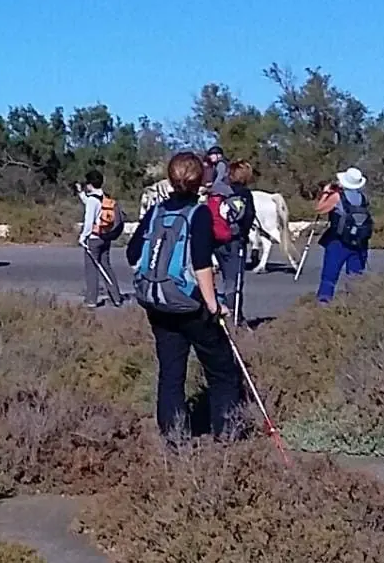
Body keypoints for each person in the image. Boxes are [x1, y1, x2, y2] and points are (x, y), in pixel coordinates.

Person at [128, 152, 242, 439]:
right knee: (222, 372)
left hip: (158, 303)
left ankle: (174, 439)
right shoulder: (198, 213)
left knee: (171, 374)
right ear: (199, 180)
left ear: (170, 178)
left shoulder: (156, 211)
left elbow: (132, 253)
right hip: (191, 305)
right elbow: (202, 263)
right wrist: (214, 305)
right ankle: (227, 436)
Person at [317, 167, 374, 303]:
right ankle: (354, 304)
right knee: (355, 278)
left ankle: (324, 303)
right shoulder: (363, 198)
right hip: (360, 243)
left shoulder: (337, 197)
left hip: (338, 242)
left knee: (329, 276)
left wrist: (326, 192)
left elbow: (320, 209)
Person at [214, 160, 258, 324]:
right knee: (234, 280)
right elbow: (249, 216)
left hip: (216, 241)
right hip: (235, 241)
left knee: (223, 277)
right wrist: (243, 234)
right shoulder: (244, 194)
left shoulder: (219, 192)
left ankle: (220, 309)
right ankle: (234, 316)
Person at [78, 169, 126, 308]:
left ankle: (91, 300)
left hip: (94, 239)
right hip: (105, 237)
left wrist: (83, 237)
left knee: (92, 270)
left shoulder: (92, 200)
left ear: (90, 184)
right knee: (106, 266)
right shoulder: (104, 197)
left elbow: (89, 222)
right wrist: (81, 194)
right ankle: (116, 297)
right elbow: (91, 203)